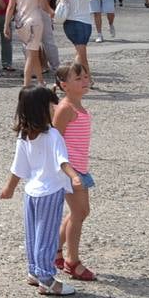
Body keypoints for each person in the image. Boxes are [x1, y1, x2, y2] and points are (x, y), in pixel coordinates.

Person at [0, 85, 83, 297]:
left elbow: (19, 166)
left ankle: (34, 271)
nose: (56, 108)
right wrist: (73, 176)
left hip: (31, 192)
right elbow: (62, 160)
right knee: (47, 235)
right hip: (50, 191)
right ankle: (46, 279)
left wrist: (9, 188)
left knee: (33, 234)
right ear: (41, 109)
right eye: (52, 104)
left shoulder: (26, 135)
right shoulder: (53, 135)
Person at [52, 62, 97, 283]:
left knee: (80, 212)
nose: (84, 82)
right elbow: (55, 141)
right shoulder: (66, 108)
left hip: (80, 167)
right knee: (79, 213)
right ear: (64, 85)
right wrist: (66, 171)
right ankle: (72, 261)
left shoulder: (78, 106)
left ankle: (55, 249)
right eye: (78, 79)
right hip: (70, 169)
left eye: (85, 77)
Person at [6, 0, 53, 89]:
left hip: (20, 22)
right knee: (31, 55)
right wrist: (53, 13)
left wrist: (6, 25)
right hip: (35, 21)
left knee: (33, 51)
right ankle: (26, 85)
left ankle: (40, 81)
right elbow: (44, 5)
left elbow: (10, 7)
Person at [56, 0, 94, 79]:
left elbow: (58, 1)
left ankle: (81, 78)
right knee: (81, 53)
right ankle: (83, 78)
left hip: (69, 21)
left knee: (80, 53)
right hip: (85, 22)